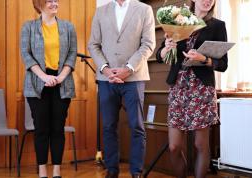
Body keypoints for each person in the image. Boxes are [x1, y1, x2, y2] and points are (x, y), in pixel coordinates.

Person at [156, 0, 228, 177]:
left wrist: (203, 58)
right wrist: (166, 48)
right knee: (173, 146)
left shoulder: (217, 25)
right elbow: (159, 56)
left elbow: (223, 64)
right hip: (178, 87)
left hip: (201, 89)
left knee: (200, 145)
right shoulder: (178, 20)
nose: (208, 1)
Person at [88, 0, 155, 177]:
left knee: (137, 126)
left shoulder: (144, 9)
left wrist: (128, 69)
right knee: (109, 126)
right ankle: (111, 170)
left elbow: (148, 44)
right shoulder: (101, 11)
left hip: (134, 77)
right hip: (106, 78)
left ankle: (136, 172)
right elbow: (93, 44)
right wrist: (105, 69)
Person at [20, 0, 77, 177]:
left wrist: (60, 77)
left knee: (57, 129)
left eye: (55, 0)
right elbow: (26, 54)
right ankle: (42, 170)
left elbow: (72, 54)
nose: (54, 3)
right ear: (39, 5)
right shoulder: (28, 27)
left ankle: (57, 171)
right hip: (37, 84)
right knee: (41, 129)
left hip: (62, 84)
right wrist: (44, 76)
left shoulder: (68, 27)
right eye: (49, 1)